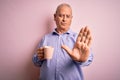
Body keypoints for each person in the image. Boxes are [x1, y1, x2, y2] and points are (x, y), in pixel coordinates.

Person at [32, 3, 93, 80]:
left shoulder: (78, 39)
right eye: (61, 15)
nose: (64, 19)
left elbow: (88, 59)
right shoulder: (45, 38)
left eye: (67, 16)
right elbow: (35, 62)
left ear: (71, 18)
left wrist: (81, 59)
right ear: (55, 17)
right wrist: (39, 57)